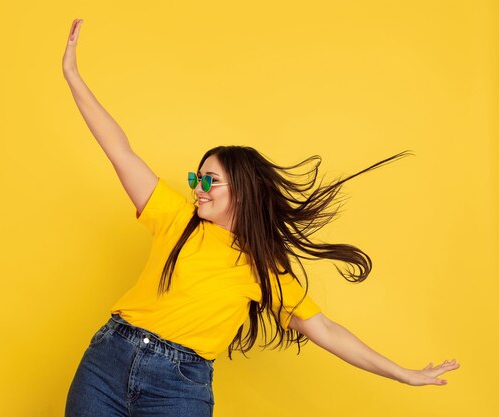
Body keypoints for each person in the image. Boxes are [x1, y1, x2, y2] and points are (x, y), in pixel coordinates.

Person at [61, 18, 460, 417]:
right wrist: (73, 77)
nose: (198, 187)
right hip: (108, 363)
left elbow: (326, 331)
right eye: (195, 178)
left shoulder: (263, 266)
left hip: (179, 387)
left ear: (242, 189)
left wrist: (402, 374)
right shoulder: (176, 217)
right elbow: (120, 150)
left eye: (209, 180)